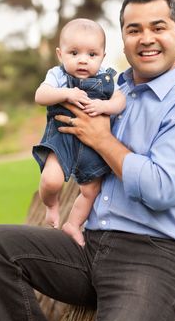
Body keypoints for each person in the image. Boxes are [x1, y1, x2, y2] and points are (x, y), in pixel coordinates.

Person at [0, 0, 175, 321]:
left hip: (158, 259)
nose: (146, 38)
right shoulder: (110, 89)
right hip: (90, 246)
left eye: (158, 27)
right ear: (123, 39)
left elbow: (161, 190)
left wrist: (102, 140)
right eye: (134, 30)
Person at [32, 18, 126, 246]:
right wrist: (65, 94)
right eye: (74, 53)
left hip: (93, 147)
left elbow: (120, 101)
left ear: (103, 56)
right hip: (62, 140)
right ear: (60, 54)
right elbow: (40, 96)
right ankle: (51, 205)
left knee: (91, 190)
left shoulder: (106, 78)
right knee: (51, 181)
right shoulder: (58, 76)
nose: (83, 60)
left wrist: (104, 106)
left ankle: (73, 224)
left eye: (91, 54)